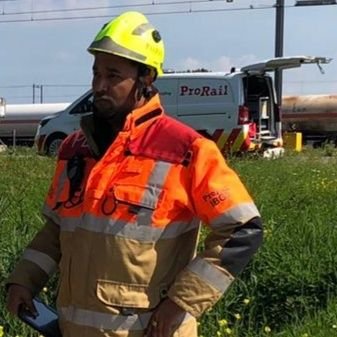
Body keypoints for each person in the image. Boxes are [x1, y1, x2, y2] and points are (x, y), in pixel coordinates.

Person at [6, 11, 263, 337]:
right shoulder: (75, 149)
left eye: (113, 75)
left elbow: (243, 229)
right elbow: (58, 228)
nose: (99, 85)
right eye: (96, 73)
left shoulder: (185, 149)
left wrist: (181, 304)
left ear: (146, 78)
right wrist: (24, 280)